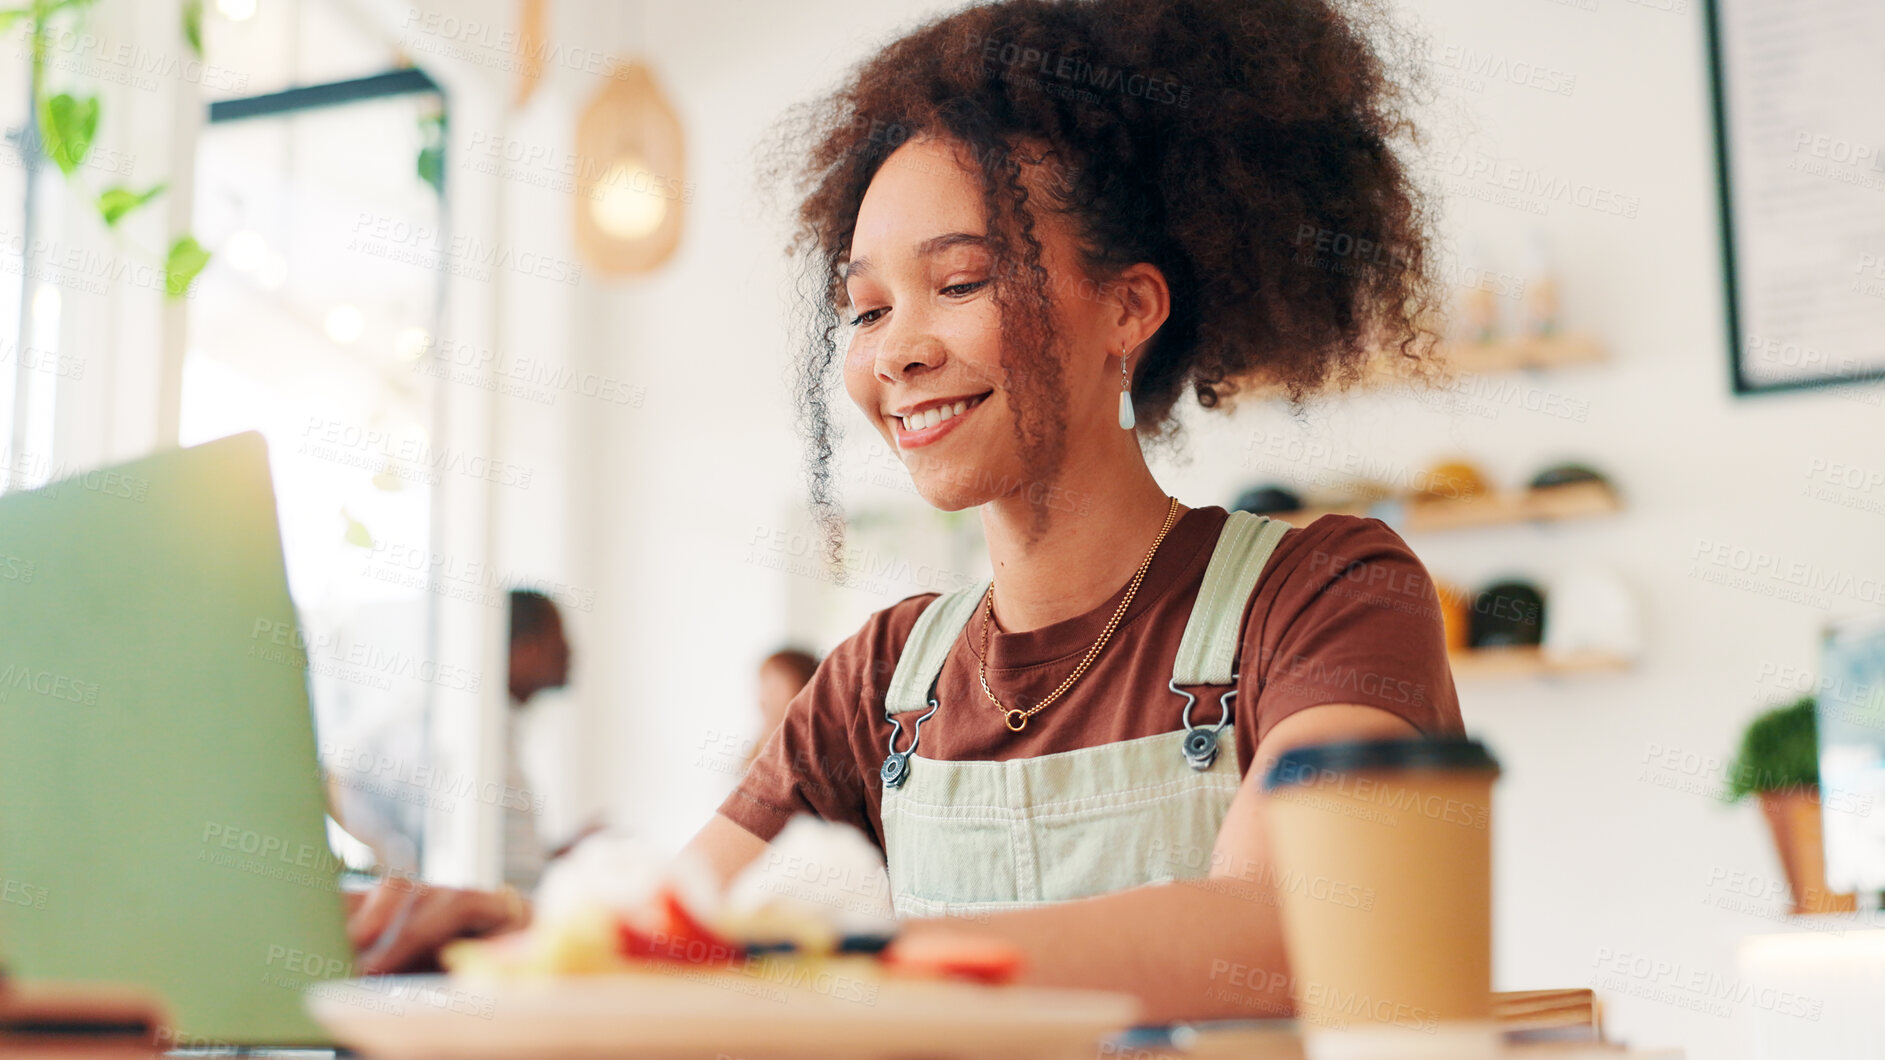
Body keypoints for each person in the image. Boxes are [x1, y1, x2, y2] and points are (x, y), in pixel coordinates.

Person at [349, 0, 1462, 1022]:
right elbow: (677, 944)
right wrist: (520, 942)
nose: (900, 349)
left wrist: (831, 956)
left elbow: (1302, 928)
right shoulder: (877, 684)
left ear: (1128, 308)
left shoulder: (1326, 596)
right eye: (867, 307)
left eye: (962, 282)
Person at [501, 589, 572, 889]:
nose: (569, 650)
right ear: (526, 649)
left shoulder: (506, 730)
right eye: (558, 637)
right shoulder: (479, 744)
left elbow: (517, 863)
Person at [746, 648, 821, 771]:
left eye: (776, 687)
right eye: (764, 685)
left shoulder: (813, 755)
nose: (764, 699)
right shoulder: (753, 754)